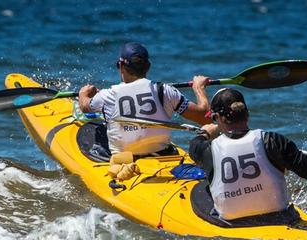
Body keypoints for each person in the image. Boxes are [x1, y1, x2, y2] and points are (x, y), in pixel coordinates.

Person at [189, 88, 307, 221]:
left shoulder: (206, 150)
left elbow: (193, 147)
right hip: (277, 217)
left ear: (217, 118)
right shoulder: (273, 141)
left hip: (230, 223)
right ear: (247, 114)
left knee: (203, 189)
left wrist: (204, 133)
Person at [79, 42, 210, 156]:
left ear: (121, 66)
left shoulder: (107, 95)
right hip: (161, 153)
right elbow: (204, 117)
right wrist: (199, 87)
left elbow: (85, 107)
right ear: (148, 67)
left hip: (124, 160)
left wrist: (84, 93)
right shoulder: (165, 90)